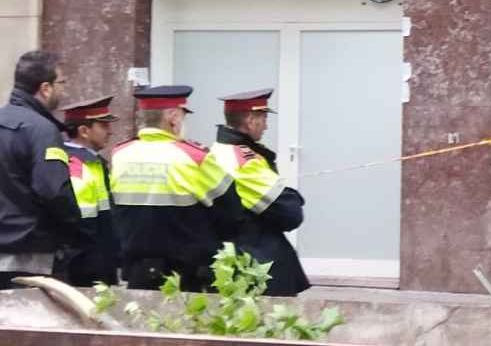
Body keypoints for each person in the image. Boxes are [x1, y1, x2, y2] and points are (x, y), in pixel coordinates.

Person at [109, 86, 245, 291]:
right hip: (186, 277)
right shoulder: (195, 157)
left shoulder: (120, 154)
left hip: (139, 274)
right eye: (183, 115)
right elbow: (232, 211)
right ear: (173, 117)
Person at [211, 90, 308, 296]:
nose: (266, 125)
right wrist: (294, 196)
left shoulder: (216, 151)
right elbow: (290, 214)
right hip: (258, 264)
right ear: (249, 119)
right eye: (263, 118)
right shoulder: (245, 160)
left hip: (230, 258)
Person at [0, 51, 81, 285]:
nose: (63, 90)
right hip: (31, 257)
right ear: (45, 88)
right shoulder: (42, 130)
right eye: (62, 83)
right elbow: (53, 190)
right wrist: (76, 228)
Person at [55, 95, 120, 286]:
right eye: (104, 126)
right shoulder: (77, 164)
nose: (110, 132)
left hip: (96, 261)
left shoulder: (91, 161)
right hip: (86, 267)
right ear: (84, 130)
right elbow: (80, 222)